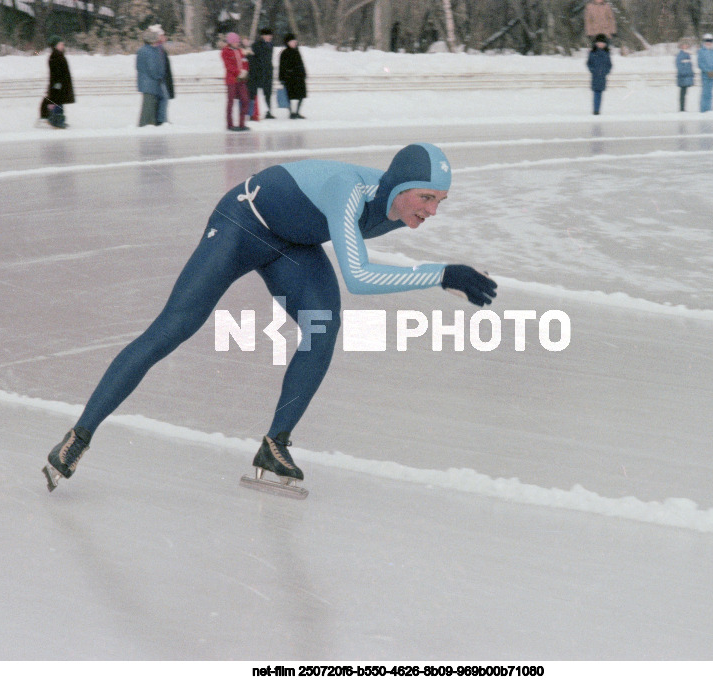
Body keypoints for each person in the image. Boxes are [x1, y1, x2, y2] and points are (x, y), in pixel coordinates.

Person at [42, 143, 498, 491]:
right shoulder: (351, 190)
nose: (432, 211)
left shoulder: (399, 211)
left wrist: (442, 273)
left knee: (322, 329)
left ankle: (275, 444)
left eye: (440, 201)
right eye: (426, 198)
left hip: (293, 245)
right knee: (174, 328)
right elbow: (357, 276)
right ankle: (78, 436)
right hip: (242, 224)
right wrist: (441, 275)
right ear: (400, 188)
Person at [136, 26, 170, 126]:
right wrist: (159, 76)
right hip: (151, 83)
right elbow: (153, 68)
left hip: (146, 82)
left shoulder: (142, 50)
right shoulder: (150, 51)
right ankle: (147, 125)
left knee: (149, 105)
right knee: (149, 107)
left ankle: (150, 123)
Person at [42, 37, 74, 128]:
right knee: (57, 103)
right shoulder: (55, 56)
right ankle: (56, 121)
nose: (63, 45)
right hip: (58, 84)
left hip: (61, 84)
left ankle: (57, 120)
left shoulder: (59, 55)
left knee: (59, 102)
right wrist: (57, 83)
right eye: (61, 44)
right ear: (55, 46)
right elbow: (55, 72)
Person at [222, 32, 251, 131]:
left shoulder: (239, 51)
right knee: (230, 102)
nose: (237, 43)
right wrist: (239, 72)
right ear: (230, 42)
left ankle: (241, 123)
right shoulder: (225, 51)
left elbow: (244, 62)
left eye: (238, 42)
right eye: (235, 42)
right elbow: (229, 66)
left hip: (241, 80)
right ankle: (230, 124)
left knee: (245, 100)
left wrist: (245, 71)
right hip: (232, 80)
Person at [248, 27, 275, 119]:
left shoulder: (271, 45)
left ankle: (268, 111)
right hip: (257, 73)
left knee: (268, 93)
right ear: (263, 36)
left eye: (270, 35)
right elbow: (252, 59)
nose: (270, 37)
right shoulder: (256, 45)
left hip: (267, 72)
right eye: (268, 35)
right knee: (254, 94)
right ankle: (252, 113)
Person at [279, 33, 307, 119]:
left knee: (301, 95)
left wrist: (303, 73)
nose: (294, 43)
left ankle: (297, 112)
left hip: (299, 77)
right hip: (289, 78)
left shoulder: (297, 51)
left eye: (295, 41)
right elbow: (282, 66)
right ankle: (291, 112)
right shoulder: (284, 53)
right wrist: (282, 77)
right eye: (292, 41)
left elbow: (301, 64)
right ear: (288, 42)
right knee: (289, 96)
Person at [586, 34, 612, 115]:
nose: (600, 44)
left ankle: (597, 109)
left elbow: (609, 64)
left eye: (602, 43)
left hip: (602, 76)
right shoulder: (592, 52)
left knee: (600, 93)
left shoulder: (606, 53)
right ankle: (596, 110)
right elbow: (589, 63)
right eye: (599, 43)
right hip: (595, 76)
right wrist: (593, 70)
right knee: (596, 93)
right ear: (596, 43)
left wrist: (605, 72)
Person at [697, 34, 713, 112]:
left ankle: (709, 109)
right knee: (705, 93)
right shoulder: (701, 51)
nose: (708, 43)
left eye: (710, 41)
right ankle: (704, 109)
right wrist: (708, 71)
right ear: (704, 42)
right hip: (705, 75)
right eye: (707, 41)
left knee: (711, 93)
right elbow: (700, 64)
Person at [675, 40, 695, 112]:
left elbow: (690, 66)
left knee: (685, 93)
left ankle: (683, 108)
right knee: (682, 93)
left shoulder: (688, 54)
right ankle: (682, 108)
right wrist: (684, 73)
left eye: (686, 45)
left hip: (687, 77)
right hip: (683, 77)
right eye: (684, 45)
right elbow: (679, 66)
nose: (685, 46)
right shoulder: (680, 55)